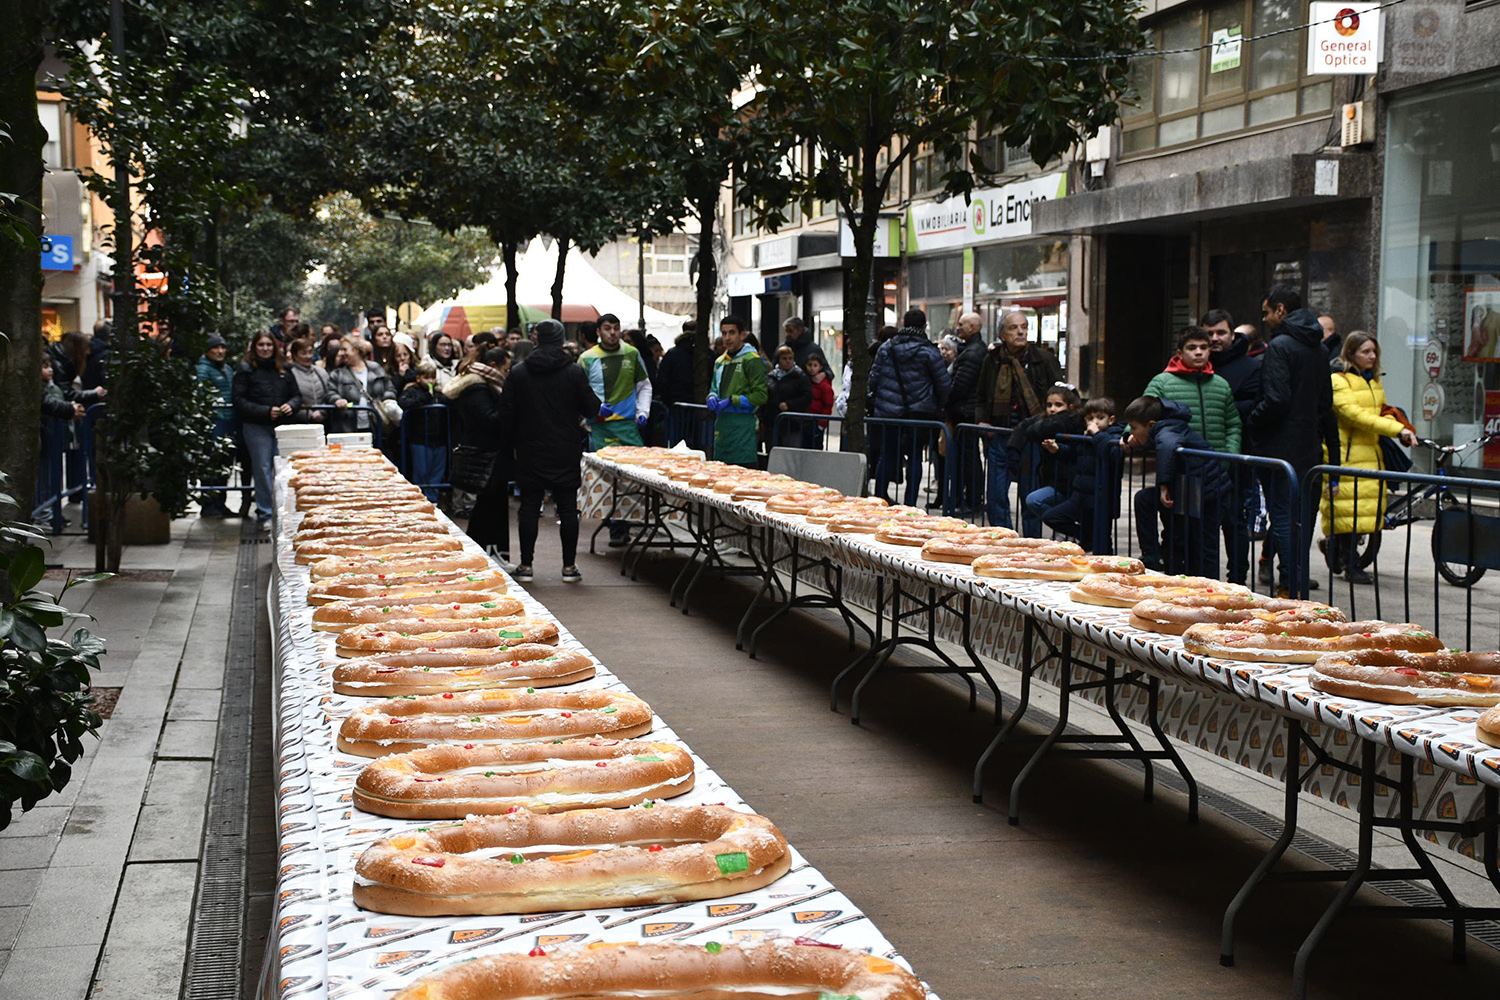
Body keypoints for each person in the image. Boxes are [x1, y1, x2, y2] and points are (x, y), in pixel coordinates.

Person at [1247, 287, 1340, 597]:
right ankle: (1294, 583)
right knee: (1302, 518)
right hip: (1308, 447)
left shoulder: (1281, 346)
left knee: (1284, 518)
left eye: (1267, 312)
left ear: (1281, 310)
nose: (1265, 318)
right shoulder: (1320, 349)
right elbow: (1325, 402)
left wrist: (1253, 422)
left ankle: (1290, 585)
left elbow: (1276, 398)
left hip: (1280, 446)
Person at [499, 319, 600, 583]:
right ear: (559, 339)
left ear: (536, 339)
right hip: (565, 447)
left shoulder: (519, 372)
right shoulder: (573, 371)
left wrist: (510, 445)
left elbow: (507, 413)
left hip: (529, 448)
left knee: (529, 507)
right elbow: (592, 408)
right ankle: (568, 567)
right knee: (567, 508)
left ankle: (526, 565)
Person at [1319, 333, 1416, 584]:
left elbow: (1377, 412)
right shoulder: (1338, 380)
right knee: (1348, 513)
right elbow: (1354, 415)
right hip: (1346, 456)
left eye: (1374, 351)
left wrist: (1397, 422)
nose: (1372, 356)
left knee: (1363, 513)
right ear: (1350, 353)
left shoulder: (1373, 381)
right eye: (1365, 351)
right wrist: (1395, 429)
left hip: (1370, 455)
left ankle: (1338, 552)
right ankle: (1350, 564)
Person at [975, 309, 1063, 527]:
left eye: (1024, 327)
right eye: (1014, 328)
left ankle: (1031, 544)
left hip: (1032, 437)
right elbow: (981, 396)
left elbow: (1061, 395)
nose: (1020, 332)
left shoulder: (1043, 359)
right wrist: (982, 421)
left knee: (1030, 495)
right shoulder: (993, 360)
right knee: (995, 495)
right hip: (1000, 435)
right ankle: (1002, 538)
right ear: (1003, 335)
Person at [1126, 396, 1230, 577]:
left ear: (1151, 425)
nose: (1132, 433)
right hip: (1191, 488)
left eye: (1134, 428)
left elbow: (1167, 445)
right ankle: (1153, 555)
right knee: (1146, 501)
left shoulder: (1167, 430)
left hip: (1208, 491)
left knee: (1203, 545)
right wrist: (1129, 438)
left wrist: (1163, 485)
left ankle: (1209, 587)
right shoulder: (1166, 426)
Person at [868, 308, 951, 506]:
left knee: (886, 455)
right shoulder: (929, 351)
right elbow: (943, 384)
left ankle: (879, 500)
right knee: (915, 457)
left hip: (888, 412)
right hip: (919, 413)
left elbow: (874, 379)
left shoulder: (887, 347)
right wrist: (938, 405)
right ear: (924, 326)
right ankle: (910, 504)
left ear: (903, 324)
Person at [1204, 309, 1263, 586]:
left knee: (1235, 521)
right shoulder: (1196, 365)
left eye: (1221, 332)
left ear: (1232, 334)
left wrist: (1218, 406)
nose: (1215, 339)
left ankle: (1237, 579)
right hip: (1200, 456)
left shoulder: (1251, 366)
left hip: (1237, 456)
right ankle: (1204, 579)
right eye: (1209, 333)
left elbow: (1254, 405)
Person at [446, 347, 512, 559]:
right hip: (485, 455)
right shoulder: (478, 389)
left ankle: (492, 551)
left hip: (491, 453)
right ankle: (486, 552)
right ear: (493, 366)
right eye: (506, 368)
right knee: (487, 506)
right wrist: (509, 407)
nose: (507, 373)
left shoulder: (484, 386)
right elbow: (488, 420)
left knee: (490, 505)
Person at [231, 332, 299, 530]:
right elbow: (239, 400)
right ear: (254, 347)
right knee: (262, 469)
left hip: (283, 427)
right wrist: (265, 412)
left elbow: (296, 395)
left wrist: (291, 405)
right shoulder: (245, 370)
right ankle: (266, 512)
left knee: (284, 469)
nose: (265, 348)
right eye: (261, 345)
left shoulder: (285, 369)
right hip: (256, 425)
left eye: (269, 344)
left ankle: (285, 511)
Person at [1042, 396, 1124, 551]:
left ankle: (1106, 567)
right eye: (1090, 418)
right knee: (1052, 517)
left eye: (1100, 418)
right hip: (1080, 496)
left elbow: (1114, 454)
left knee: (1103, 543)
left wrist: (1097, 435)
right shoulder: (1086, 435)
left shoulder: (1113, 435)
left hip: (1102, 498)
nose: (1094, 422)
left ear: (1111, 419)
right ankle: (1086, 537)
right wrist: (1058, 449)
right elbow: (1075, 454)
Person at [1014, 384, 1083, 536]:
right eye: (1049, 405)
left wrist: (1058, 450)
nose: (1052, 409)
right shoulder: (1044, 420)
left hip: (1071, 482)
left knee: (1036, 501)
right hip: (1055, 481)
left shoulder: (1072, 420)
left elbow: (1074, 452)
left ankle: (1075, 532)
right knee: (1034, 501)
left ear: (1070, 406)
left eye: (1058, 405)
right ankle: (1066, 530)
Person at [578, 312, 652, 452]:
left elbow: (644, 385)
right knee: (601, 470)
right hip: (598, 426)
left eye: (616, 328)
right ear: (598, 332)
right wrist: (594, 409)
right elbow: (579, 391)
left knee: (634, 469)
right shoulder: (586, 358)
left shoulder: (632, 353)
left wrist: (643, 412)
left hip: (628, 425)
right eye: (607, 328)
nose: (612, 332)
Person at [706, 315, 768, 468]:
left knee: (743, 476)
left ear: (742, 335)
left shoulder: (752, 360)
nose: (727, 338)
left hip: (743, 427)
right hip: (722, 427)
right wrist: (712, 397)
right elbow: (714, 387)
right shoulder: (720, 361)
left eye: (732, 332)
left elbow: (761, 396)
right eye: (724, 333)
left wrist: (732, 400)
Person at [327, 336, 395, 436]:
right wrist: (337, 400)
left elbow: (390, 388)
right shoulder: (338, 374)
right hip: (348, 426)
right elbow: (330, 392)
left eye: (344, 349)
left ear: (356, 350)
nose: (341, 353)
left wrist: (386, 401)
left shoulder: (375, 368)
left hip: (375, 425)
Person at [764, 344, 813, 448]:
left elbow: (807, 397)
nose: (788, 361)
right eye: (784, 358)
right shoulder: (771, 376)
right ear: (778, 360)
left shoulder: (800, 376)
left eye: (790, 358)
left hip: (792, 423)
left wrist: (790, 405)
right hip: (773, 422)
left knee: (790, 453)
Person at [657, 320, 697, 444]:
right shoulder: (704, 354)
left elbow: (662, 379)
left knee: (677, 443)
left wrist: (668, 402)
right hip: (698, 407)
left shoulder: (672, 353)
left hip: (676, 405)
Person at [287, 337, 336, 424]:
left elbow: (328, 394)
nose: (308, 356)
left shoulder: (321, 372)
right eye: (303, 353)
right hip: (298, 422)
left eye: (310, 352)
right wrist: (309, 415)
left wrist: (322, 412)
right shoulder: (290, 374)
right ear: (294, 355)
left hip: (323, 420)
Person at [804, 355, 835, 449]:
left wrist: (822, 424)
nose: (812, 368)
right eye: (809, 365)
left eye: (815, 365)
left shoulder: (824, 385)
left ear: (820, 367)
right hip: (805, 419)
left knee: (816, 446)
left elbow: (828, 405)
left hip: (816, 421)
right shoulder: (805, 381)